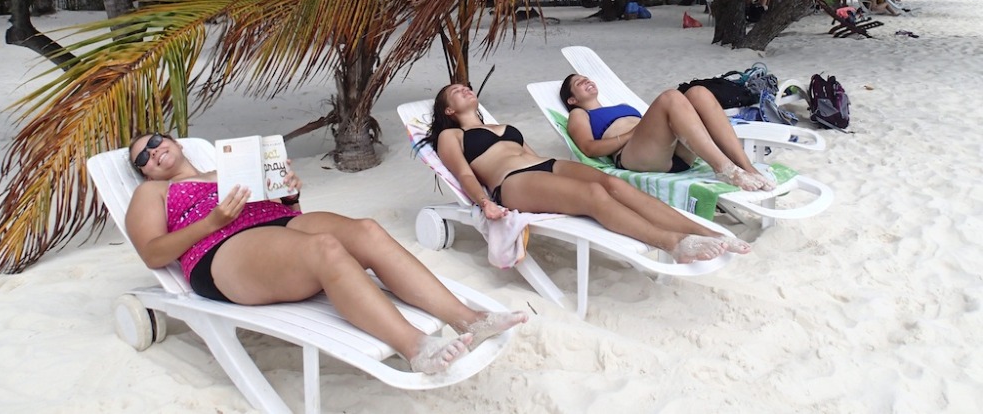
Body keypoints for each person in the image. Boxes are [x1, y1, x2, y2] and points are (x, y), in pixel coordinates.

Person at [125, 132, 526, 374]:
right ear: (144, 172)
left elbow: (290, 215)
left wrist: (288, 194)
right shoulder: (153, 193)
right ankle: (415, 347)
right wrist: (211, 223)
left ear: (175, 142)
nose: (153, 153)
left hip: (276, 226)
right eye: (143, 157)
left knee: (366, 231)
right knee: (325, 249)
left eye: (155, 142)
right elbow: (152, 253)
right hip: (219, 251)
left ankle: (469, 319)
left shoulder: (227, 171)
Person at [425, 85, 752, 264]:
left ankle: (706, 232)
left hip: (544, 166)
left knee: (613, 184)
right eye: (456, 91)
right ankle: (672, 243)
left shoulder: (503, 126)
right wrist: (484, 203)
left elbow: (532, 155)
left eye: (465, 86)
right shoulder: (451, 136)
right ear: (448, 111)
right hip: (512, 182)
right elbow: (464, 174)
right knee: (594, 195)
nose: (464, 89)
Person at [562, 74, 774, 192]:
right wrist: (630, 135)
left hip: (671, 153)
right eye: (579, 83)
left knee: (698, 93)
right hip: (635, 156)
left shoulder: (622, 106)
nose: (587, 81)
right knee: (670, 97)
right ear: (572, 100)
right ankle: (726, 169)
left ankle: (746, 167)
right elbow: (588, 148)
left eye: (587, 78)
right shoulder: (579, 114)